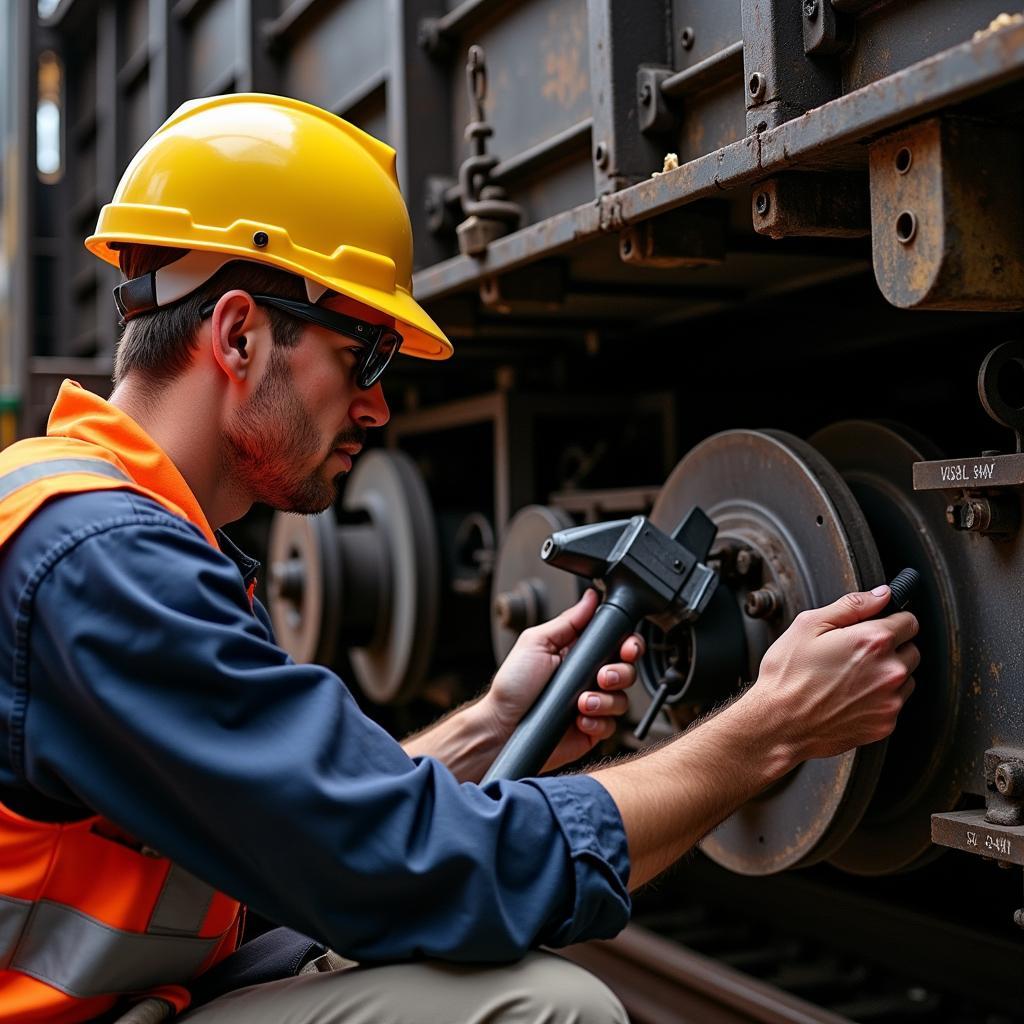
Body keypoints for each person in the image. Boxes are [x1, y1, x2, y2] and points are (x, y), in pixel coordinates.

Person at [0, 94, 919, 1024]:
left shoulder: (87, 517)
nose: (378, 408)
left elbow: (294, 830)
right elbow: (404, 872)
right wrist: (772, 729)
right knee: (545, 1009)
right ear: (238, 336)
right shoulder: (103, 560)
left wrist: (492, 724)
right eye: (365, 356)